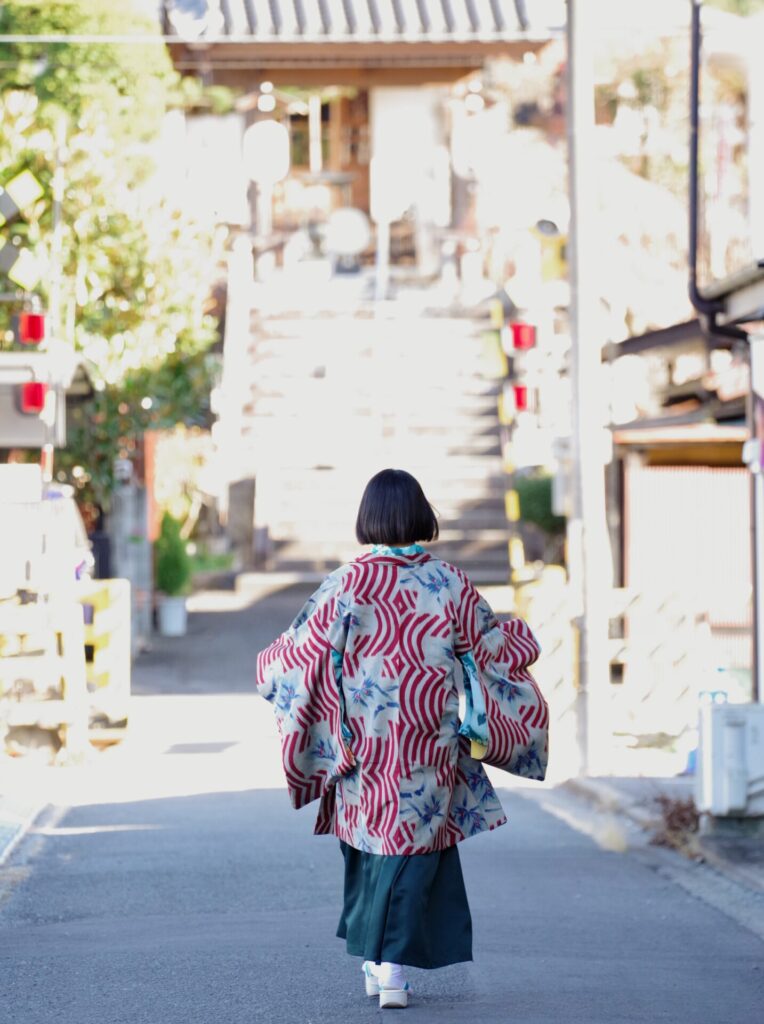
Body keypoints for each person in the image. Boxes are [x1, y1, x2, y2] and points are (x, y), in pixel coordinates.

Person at [256, 469, 548, 1010]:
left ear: (368, 519)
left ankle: (384, 964)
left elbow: (304, 651)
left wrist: (270, 669)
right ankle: (385, 963)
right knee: (414, 847)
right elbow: (487, 647)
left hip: (364, 737)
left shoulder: (348, 581)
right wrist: (523, 641)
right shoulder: (448, 581)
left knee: (370, 844)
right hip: (427, 735)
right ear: (422, 515)